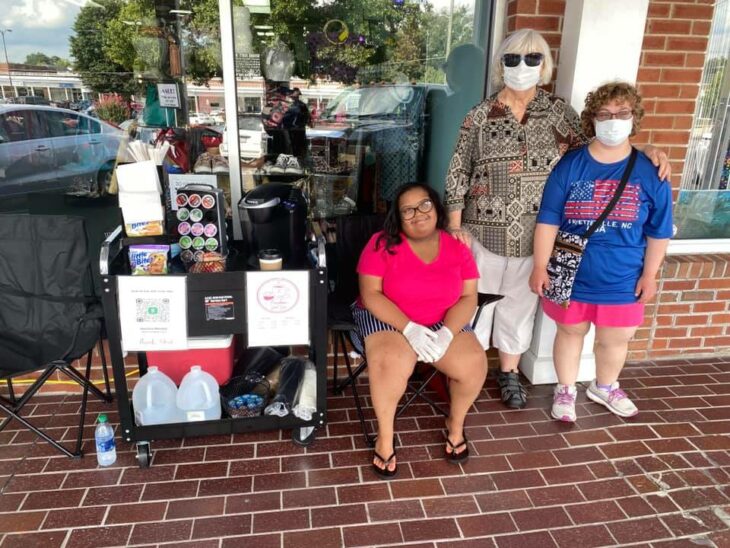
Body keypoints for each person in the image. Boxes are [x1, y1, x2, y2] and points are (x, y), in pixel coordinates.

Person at [444, 29, 671, 410]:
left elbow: (604, 147)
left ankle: (510, 372)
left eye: (532, 58)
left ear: (544, 65)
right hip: (481, 230)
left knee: (518, 308)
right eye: (513, 59)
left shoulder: (560, 113)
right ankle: (468, 370)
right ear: (501, 65)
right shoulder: (479, 116)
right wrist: (454, 224)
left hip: (539, 234)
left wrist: (646, 150)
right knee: (473, 305)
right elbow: (457, 170)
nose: (522, 66)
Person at [530, 81, 672, 422]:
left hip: (623, 276)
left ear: (633, 118)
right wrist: (540, 265)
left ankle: (605, 386)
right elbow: (548, 218)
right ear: (592, 119)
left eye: (622, 113)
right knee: (570, 332)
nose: (613, 120)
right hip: (572, 272)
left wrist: (650, 275)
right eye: (604, 114)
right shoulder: (571, 165)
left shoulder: (651, 171)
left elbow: (659, 230)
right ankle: (566, 389)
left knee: (615, 338)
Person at [352, 183, 487, 479]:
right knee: (391, 363)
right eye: (408, 210)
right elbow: (371, 294)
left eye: (424, 205)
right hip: (388, 316)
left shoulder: (457, 248)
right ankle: (385, 437)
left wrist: (448, 333)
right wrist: (409, 328)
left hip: (442, 318)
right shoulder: (380, 244)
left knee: (474, 363)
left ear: (436, 208)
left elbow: (469, 297)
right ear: (398, 218)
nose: (418, 214)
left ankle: (455, 425)